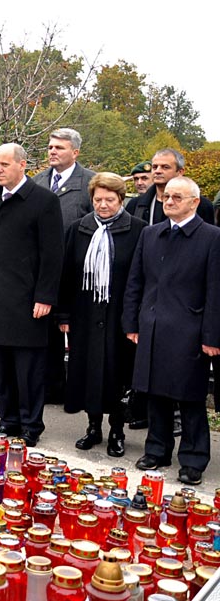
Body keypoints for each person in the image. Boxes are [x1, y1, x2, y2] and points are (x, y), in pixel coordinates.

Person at [123, 177, 220, 486]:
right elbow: (135, 281)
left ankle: (193, 459)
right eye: (167, 196)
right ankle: (157, 450)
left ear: (195, 202)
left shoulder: (212, 237)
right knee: (155, 393)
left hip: (190, 329)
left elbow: (216, 291)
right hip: (152, 326)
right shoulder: (151, 234)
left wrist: (212, 336)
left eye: (178, 197)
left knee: (190, 397)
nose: (169, 201)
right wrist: (131, 323)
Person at [0, 144, 64, 447]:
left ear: (22, 165)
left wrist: (45, 296)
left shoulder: (43, 201)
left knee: (28, 370)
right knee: (0, 368)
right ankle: (7, 420)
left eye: (4, 164)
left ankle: (30, 425)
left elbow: (52, 255)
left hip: (27, 301)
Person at [56, 172, 145, 458]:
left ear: (121, 200)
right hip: (84, 314)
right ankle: (93, 426)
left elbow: (141, 277)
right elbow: (66, 275)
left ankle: (117, 430)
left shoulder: (138, 230)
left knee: (117, 373)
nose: (103, 205)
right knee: (88, 372)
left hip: (119, 315)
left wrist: (134, 318)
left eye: (109, 200)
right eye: (98, 200)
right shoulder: (78, 229)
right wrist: (64, 315)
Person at [33, 127, 95, 406]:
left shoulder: (91, 183)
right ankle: (50, 388)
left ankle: (80, 392)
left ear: (75, 152)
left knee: (77, 334)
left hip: (79, 273)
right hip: (43, 272)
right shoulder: (37, 182)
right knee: (46, 334)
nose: (53, 151)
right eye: (50, 147)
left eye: (59, 147)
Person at [125, 148, 215, 226]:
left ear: (180, 172)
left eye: (165, 167)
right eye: (155, 167)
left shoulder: (200, 205)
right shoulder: (135, 205)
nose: (158, 171)